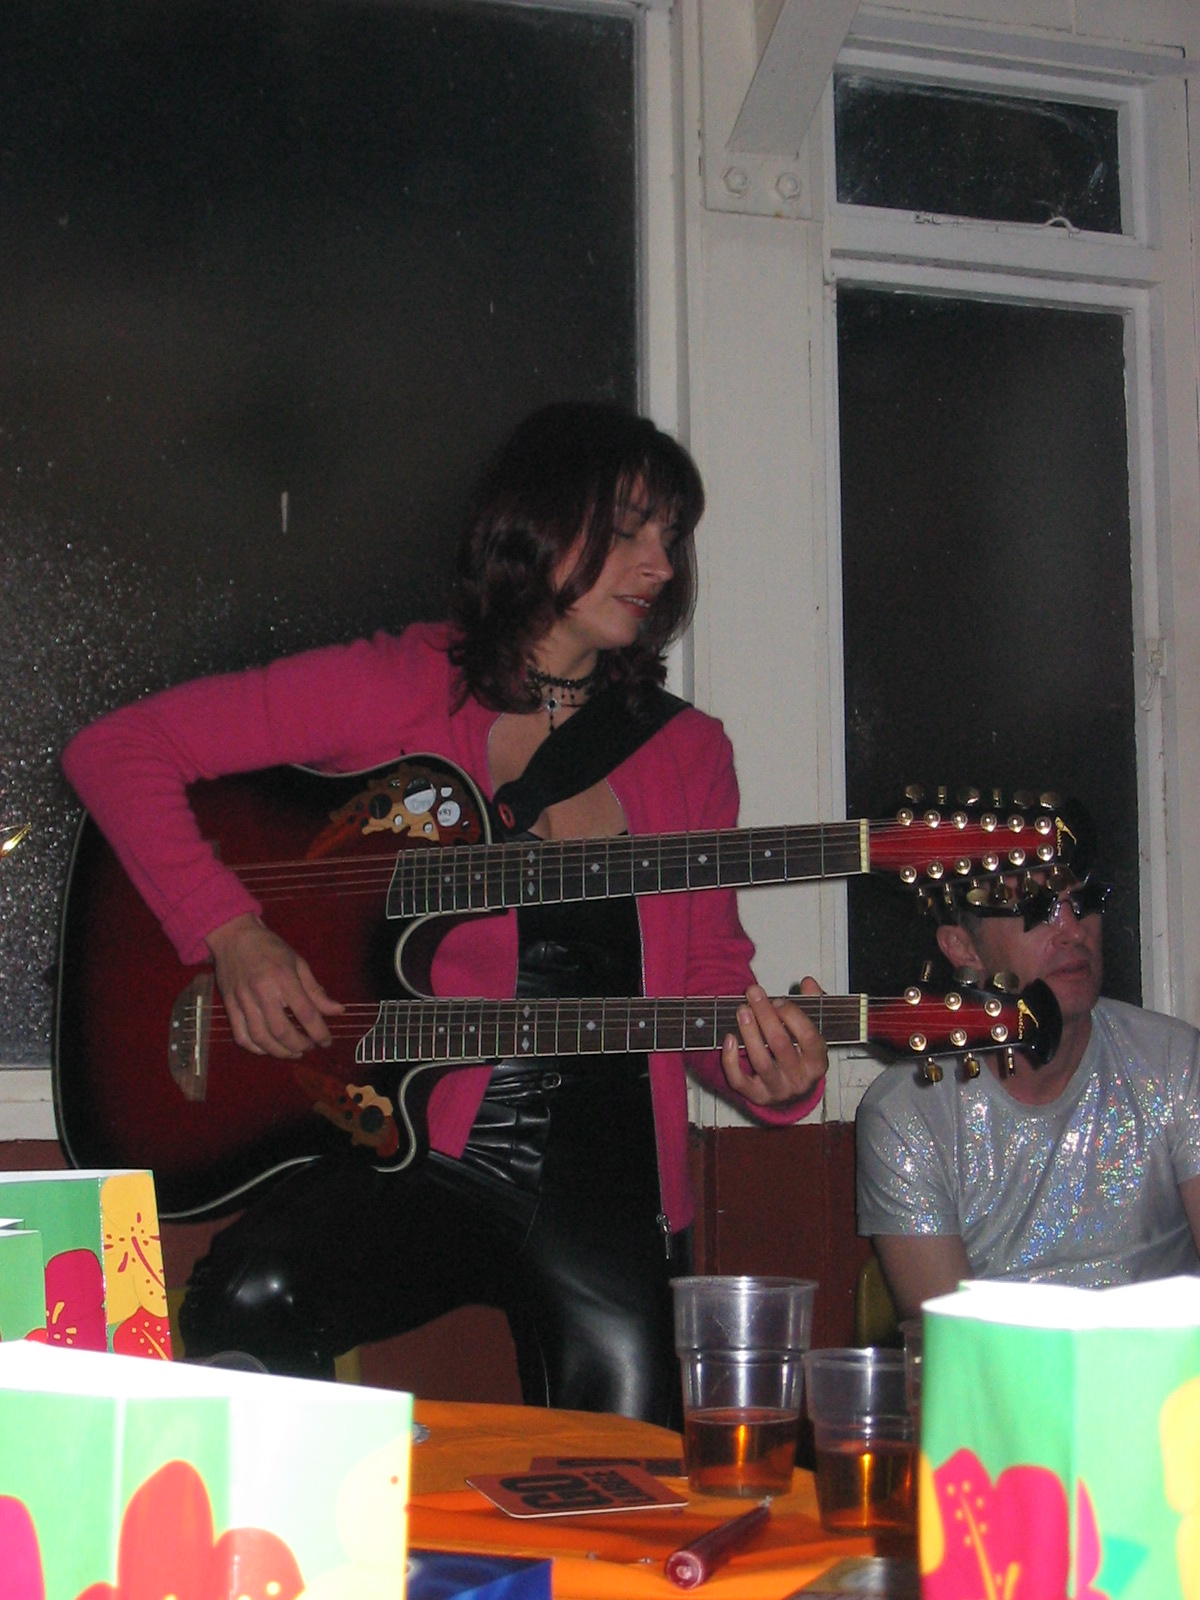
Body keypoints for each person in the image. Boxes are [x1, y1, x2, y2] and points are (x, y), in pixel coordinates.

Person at [62, 400, 828, 1422]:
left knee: (630, 1482)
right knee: (250, 1295)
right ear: (539, 524)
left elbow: (705, 980)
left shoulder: (687, 751)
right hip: (428, 1158)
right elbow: (117, 752)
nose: (659, 564)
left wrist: (771, 1074)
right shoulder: (397, 685)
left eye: (671, 537)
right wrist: (231, 931)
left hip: (614, 1189)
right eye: (628, 529)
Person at [856, 859, 1200, 1321]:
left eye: (1082, 903)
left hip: (1169, 1363)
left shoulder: (1174, 1061)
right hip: (999, 1365)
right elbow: (956, 1347)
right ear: (963, 948)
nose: (1072, 931)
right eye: (1037, 910)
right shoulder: (907, 1113)